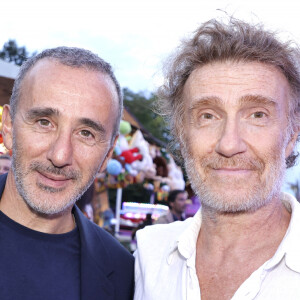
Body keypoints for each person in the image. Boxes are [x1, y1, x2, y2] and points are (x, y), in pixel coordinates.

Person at [134, 18, 300, 300]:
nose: (229, 144)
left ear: (292, 135)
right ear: (182, 136)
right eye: (207, 116)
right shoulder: (150, 253)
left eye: (257, 115)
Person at [0, 47, 134, 300]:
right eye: (44, 122)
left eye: (86, 133)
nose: (61, 155)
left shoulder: (124, 276)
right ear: (8, 126)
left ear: (107, 154)